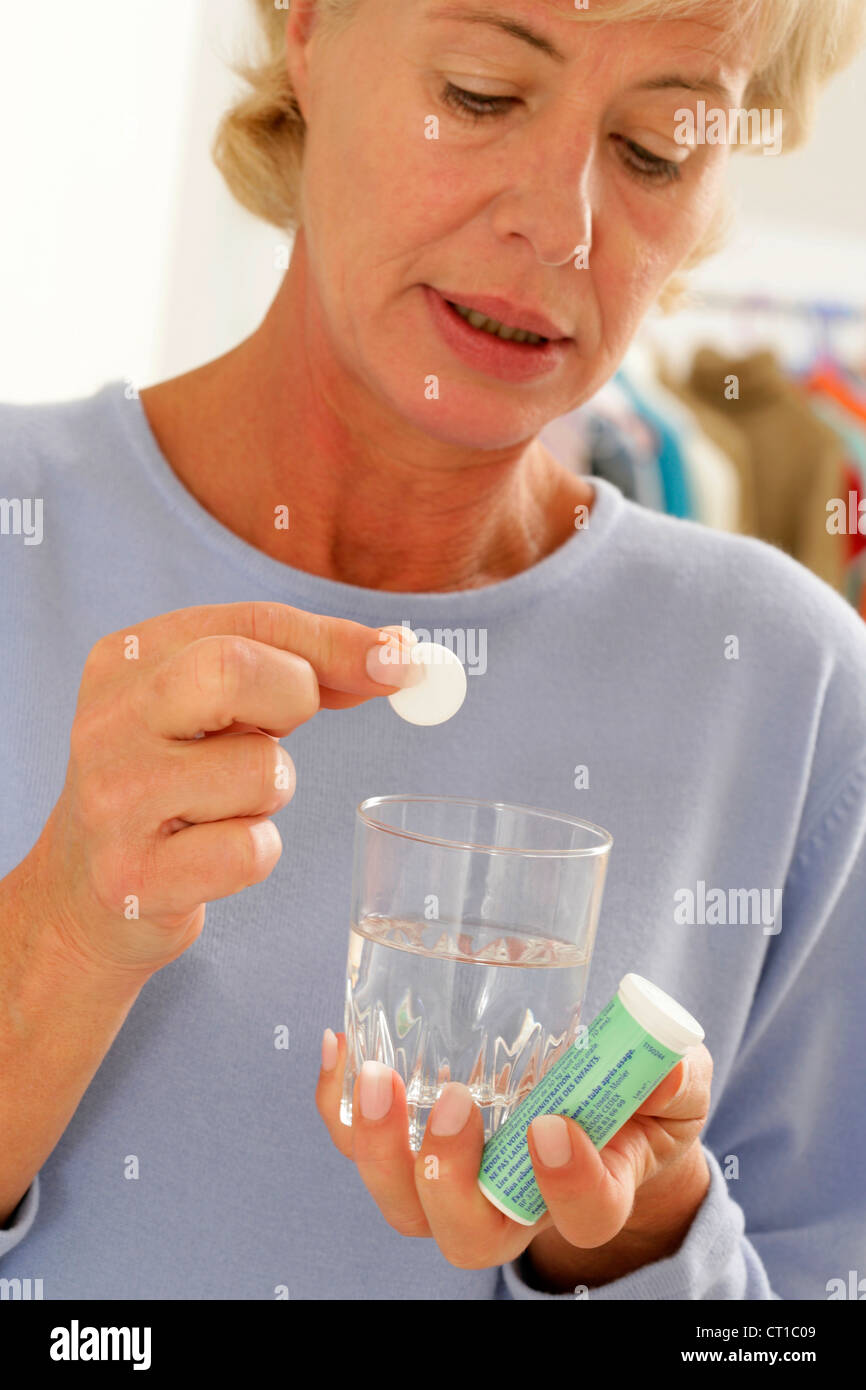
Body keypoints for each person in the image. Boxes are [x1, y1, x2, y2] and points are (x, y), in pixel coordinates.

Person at [1, 0, 864, 1301]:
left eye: (652, 149)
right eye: (476, 94)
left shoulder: (791, 689)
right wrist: (58, 935)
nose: (558, 224)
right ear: (304, 27)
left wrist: (641, 1246)